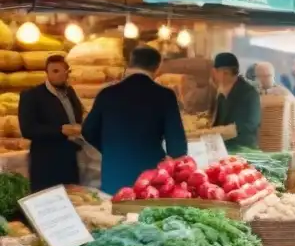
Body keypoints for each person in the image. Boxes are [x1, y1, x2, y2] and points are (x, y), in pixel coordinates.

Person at [83, 46, 187, 195]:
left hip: (114, 173)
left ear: (130, 63)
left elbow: (87, 130)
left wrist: (110, 149)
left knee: (113, 215)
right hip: (150, 178)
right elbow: (177, 147)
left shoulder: (107, 94)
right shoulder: (165, 95)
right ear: (157, 68)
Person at [18, 55, 85, 191]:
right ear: (46, 73)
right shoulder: (32, 95)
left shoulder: (70, 92)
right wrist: (60, 130)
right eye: (55, 71)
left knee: (73, 202)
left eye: (63, 71)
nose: (60, 75)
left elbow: (77, 116)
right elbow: (27, 129)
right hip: (46, 162)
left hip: (70, 159)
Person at [211, 52, 262, 151]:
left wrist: (226, 131)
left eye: (216, 72)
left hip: (242, 148)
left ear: (225, 72)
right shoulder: (221, 93)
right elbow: (217, 122)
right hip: (222, 147)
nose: (214, 75)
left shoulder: (249, 93)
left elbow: (252, 123)